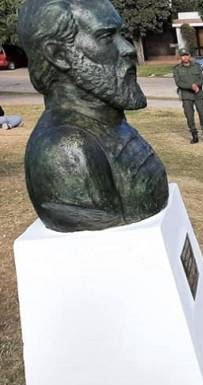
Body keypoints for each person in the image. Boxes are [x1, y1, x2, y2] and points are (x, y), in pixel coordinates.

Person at [17, 0, 168, 232]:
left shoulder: (113, 125)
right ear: (59, 54)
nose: (127, 48)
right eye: (106, 37)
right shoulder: (66, 149)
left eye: (122, 34)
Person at [173, 48, 203, 144]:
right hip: (186, 96)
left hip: (198, 94)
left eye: (187, 55)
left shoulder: (197, 66)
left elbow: (202, 78)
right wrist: (191, 86)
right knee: (189, 116)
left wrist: (197, 85)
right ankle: (194, 135)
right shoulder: (177, 69)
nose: (185, 57)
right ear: (180, 57)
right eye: (183, 55)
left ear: (190, 56)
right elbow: (178, 82)